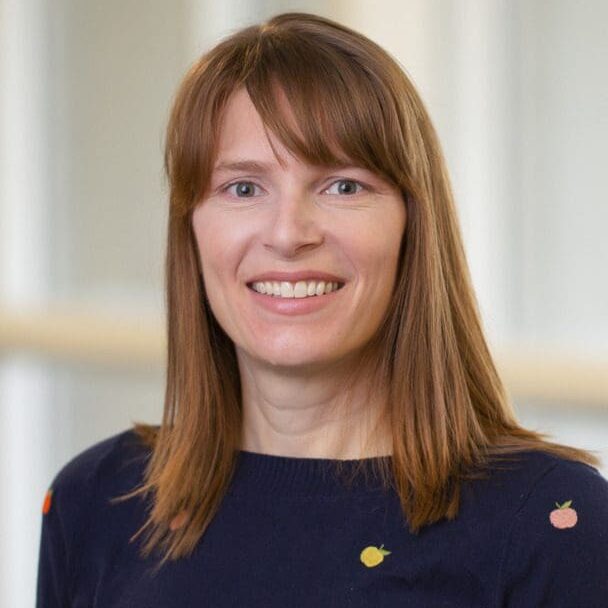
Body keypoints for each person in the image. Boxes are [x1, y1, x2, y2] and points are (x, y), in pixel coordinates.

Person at [36, 12, 608, 607]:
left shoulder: (549, 523)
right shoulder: (95, 501)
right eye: (243, 188)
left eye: (342, 186)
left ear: (413, 226)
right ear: (191, 229)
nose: (288, 235)